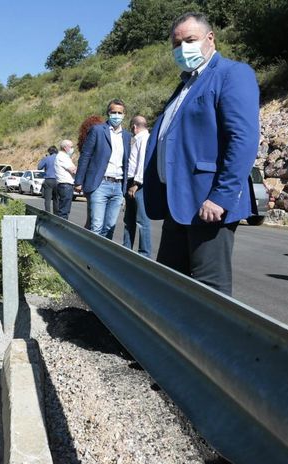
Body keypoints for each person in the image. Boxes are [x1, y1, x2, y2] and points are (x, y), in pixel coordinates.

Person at [142, 12, 260, 296]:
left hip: (207, 205)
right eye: (177, 43)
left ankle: (214, 341)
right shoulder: (184, 86)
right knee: (170, 286)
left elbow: (243, 138)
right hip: (176, 203)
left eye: (190, 40)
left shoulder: (232, 74)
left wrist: (221, 196)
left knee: (210, 293)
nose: (183, 48)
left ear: (210, 39)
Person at [75, 99, 131, 239]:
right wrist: (78, 181)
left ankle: (103, 259)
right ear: (108, 113)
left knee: (109, 227)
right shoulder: (98, 130)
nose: (116, 115)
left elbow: (128, 161)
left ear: (124, 115)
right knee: (96, 226)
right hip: (100, 184)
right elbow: (85, 155)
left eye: (120, 112)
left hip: (118, 187)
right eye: (113, 112)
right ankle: (90, 260)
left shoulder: (127, 136)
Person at [123, 115, 152, 257]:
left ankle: (144, 254)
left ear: (134, 127)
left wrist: (136, 183)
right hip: (132, 183)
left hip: (138, 185)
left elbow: (142, 162)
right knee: (129, 220)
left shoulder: (144, 139)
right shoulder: (139, 139)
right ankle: (126, 249)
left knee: (141, 221)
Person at [54, 139, 77, 219]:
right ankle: (61, 228)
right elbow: (73, 170)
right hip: (65, 185)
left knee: (64, 209)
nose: (72, 149)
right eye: (71, 147)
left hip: (65, 185)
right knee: (64, 211)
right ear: (65, 147)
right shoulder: (62, 157)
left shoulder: (65, 157)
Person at [37, 146, 59, 213]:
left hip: (48, 180)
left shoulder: (46, 158)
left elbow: (39, 167)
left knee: (47, 200)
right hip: (58, 180)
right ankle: (56, 215)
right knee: (56, 199)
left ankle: (48, 214)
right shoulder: (60, 158)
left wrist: (43, 159)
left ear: (49, 152)